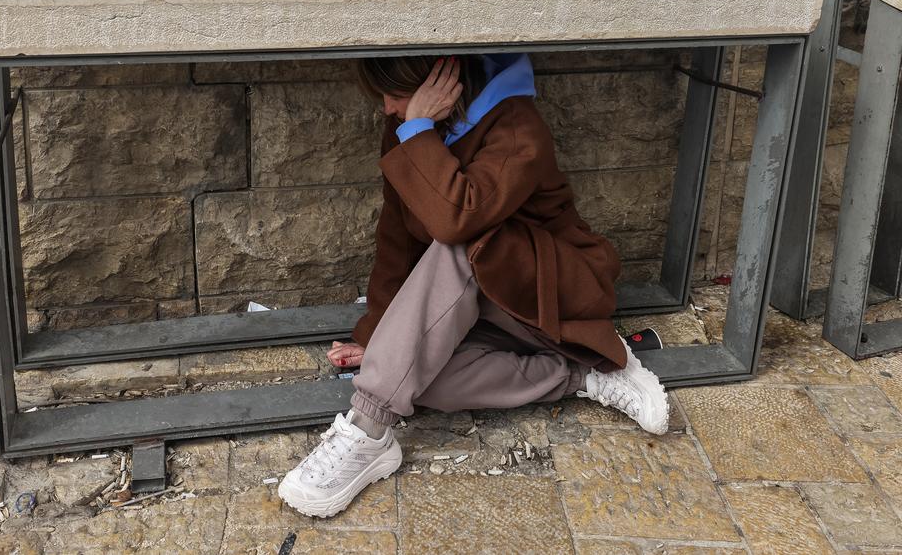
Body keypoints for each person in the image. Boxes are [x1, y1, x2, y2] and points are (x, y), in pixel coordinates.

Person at [277, 53, 669, 519]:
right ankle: (582, 376)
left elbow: (455, 220)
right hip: (487, 307)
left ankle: (369, 427)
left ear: (443, 81)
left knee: (459, 242)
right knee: (415, 379)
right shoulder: (409, 124)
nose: (387, 108)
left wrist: (417, 130)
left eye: (395, 95)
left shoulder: (516, 128)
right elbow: (398, 240)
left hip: (556, 297)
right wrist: (380, 339)